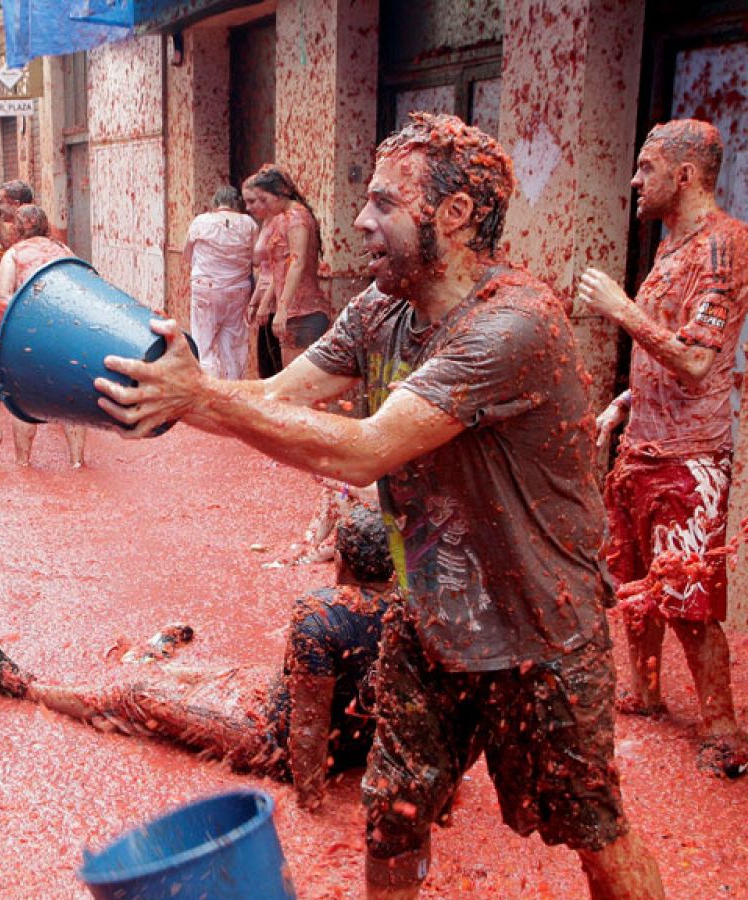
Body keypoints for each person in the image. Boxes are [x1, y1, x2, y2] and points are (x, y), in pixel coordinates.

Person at [93, 113, 663, 898]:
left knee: (595, 833)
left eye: (384, 203)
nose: (359, 220)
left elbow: (361, 447)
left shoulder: (513, 326)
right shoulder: (379, 310)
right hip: (430, 619)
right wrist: (175, 396)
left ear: (454, 215)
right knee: (391, 815)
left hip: (541, 634)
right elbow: (271, 396)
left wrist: (199, 400)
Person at [0, 507, 397, 810]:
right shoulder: (411, 610)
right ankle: (155, 657)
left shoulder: (320, 615)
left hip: (277, 740)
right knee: (214, 676)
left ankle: (28, 688)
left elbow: (307, 729)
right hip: (357, 747)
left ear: (339, 560)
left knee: (131, 696)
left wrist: (310, 799)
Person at [577, 118, 748, 777]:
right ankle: (646, 689)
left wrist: (621, 309)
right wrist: (620, 406)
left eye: (646, 167)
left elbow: (699, 362)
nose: (635, 179)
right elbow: (664, 352)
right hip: (644, 443)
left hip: (690, 456)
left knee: (689, 597)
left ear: (683, 175)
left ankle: (721, 724)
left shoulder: (724, 246)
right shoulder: (671, 245)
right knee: (633, 576)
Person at [0, 204, 86, 468]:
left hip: (28, 335)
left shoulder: (13, 255)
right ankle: (77, 461)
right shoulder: (63, 251)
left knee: (23, 397)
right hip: (66, 333)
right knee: (72, 398)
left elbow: (3, 299)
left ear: (16, 228)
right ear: (46, 226)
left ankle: (23, 461)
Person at [244, 164, 329, 367]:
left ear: (281, 193)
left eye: (265, 200)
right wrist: (265, 303)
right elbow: (280, 268)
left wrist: (282, 309)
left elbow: (296, 262)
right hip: (294, 310)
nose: (264, 206)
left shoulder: (296, 218)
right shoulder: (284, 218)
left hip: (303, 311)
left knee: (298, 385)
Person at [185, 186, 258, 379]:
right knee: (234, 347)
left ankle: (209, 390)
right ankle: (232, 392)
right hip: (238, 291)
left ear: (215, 203)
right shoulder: (249, 223)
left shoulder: (200, 221)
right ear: (237, 204)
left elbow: (187, 255)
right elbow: (257, 259)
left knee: (204, 344)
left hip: (205, 288)